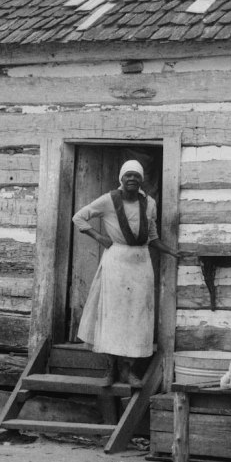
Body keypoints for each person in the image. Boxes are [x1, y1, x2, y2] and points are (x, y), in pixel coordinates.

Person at [72, 160, 181, 384]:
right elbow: (79, 217)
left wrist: (171, 251)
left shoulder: (149, 203)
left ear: (142, 180)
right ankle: (111, 370)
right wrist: (99, 237)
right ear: (121, 178)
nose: (132, 179)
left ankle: (128, 370)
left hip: (141, 263)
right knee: (113, 316)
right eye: (128, 175)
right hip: (117, 261)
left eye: (136, 176)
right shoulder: (108, 200)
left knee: (137, 317)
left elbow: (152, 237)